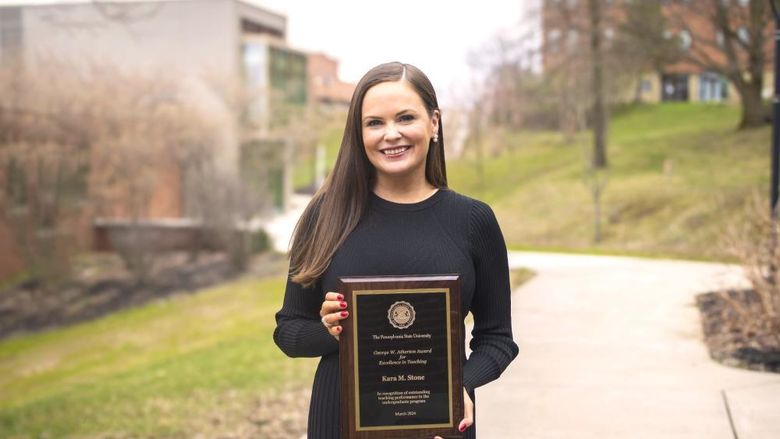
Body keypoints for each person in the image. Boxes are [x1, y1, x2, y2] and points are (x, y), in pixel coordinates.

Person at [273, 62, 518, 439]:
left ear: (434, 123)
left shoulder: (473, 220)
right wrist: (329, 331)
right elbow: (288, 331)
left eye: (405, 117)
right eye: (374, 123)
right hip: (339, 423)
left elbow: (497, 340)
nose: (391, 135)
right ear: (358, 133)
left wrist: (460, 389)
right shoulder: (324, 216)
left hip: (441, 426)